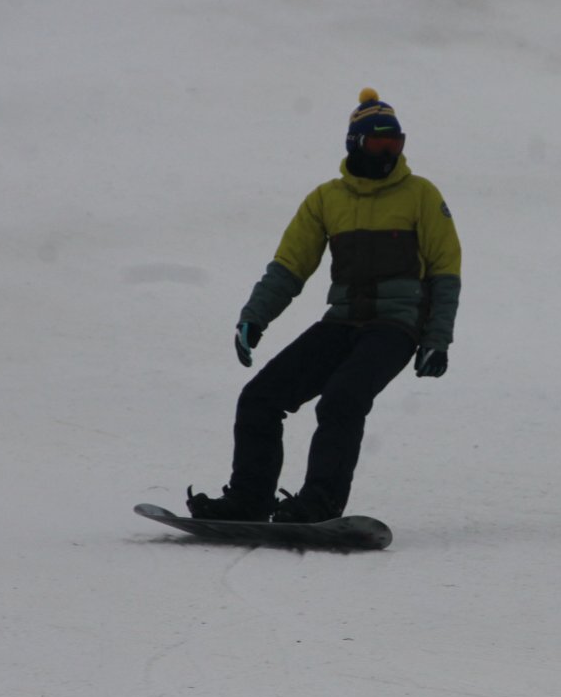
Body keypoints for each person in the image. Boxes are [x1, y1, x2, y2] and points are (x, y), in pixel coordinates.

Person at [187, 88, 462, 523]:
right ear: (356, 144)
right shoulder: (326, 200)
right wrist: (254, 317)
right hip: (342, 323)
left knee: (342, 399)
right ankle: (249, 499)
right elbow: (290, 266)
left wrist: (436, 340)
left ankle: (320, 504)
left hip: (395, 327)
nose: (389, 153)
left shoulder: (421, 196)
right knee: (260, 398)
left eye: (396, 143)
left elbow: (446, 272)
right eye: (379, 144)